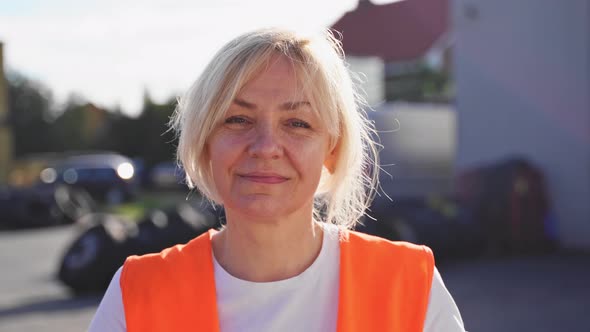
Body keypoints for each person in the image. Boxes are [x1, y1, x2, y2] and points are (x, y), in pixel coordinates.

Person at [89, 27, 465, 332]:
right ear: (205, 143)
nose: (266, 146)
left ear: (330, 151)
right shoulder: (137, 294)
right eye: (238, 120)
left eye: (297, 124)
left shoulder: (409, 286)